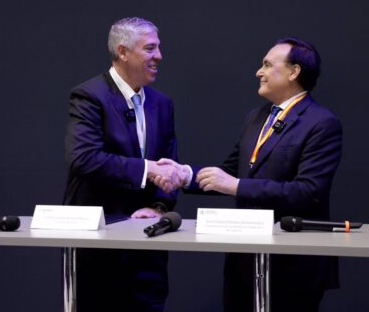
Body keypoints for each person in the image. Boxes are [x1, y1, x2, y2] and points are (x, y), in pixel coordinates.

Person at [157, 37, 342, 312]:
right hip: (245, 259)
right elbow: (229, 172)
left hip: (292, 264)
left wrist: (236, 186)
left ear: (294, 72)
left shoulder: (322, 123)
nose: (258, 72)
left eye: (267, 65)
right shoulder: (257, 117)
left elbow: (308, 192)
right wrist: (183, 175)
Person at [63, 17, 188, 312]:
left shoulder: (163, 103)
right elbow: (84, 158)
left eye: (159, 48)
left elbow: (169, 163)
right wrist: (147, 169)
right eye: (150, 48)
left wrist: (159, 206)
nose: (159, 56)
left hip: (148, 247)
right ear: (122, 52)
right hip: (99, 247)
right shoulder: (89, 96)